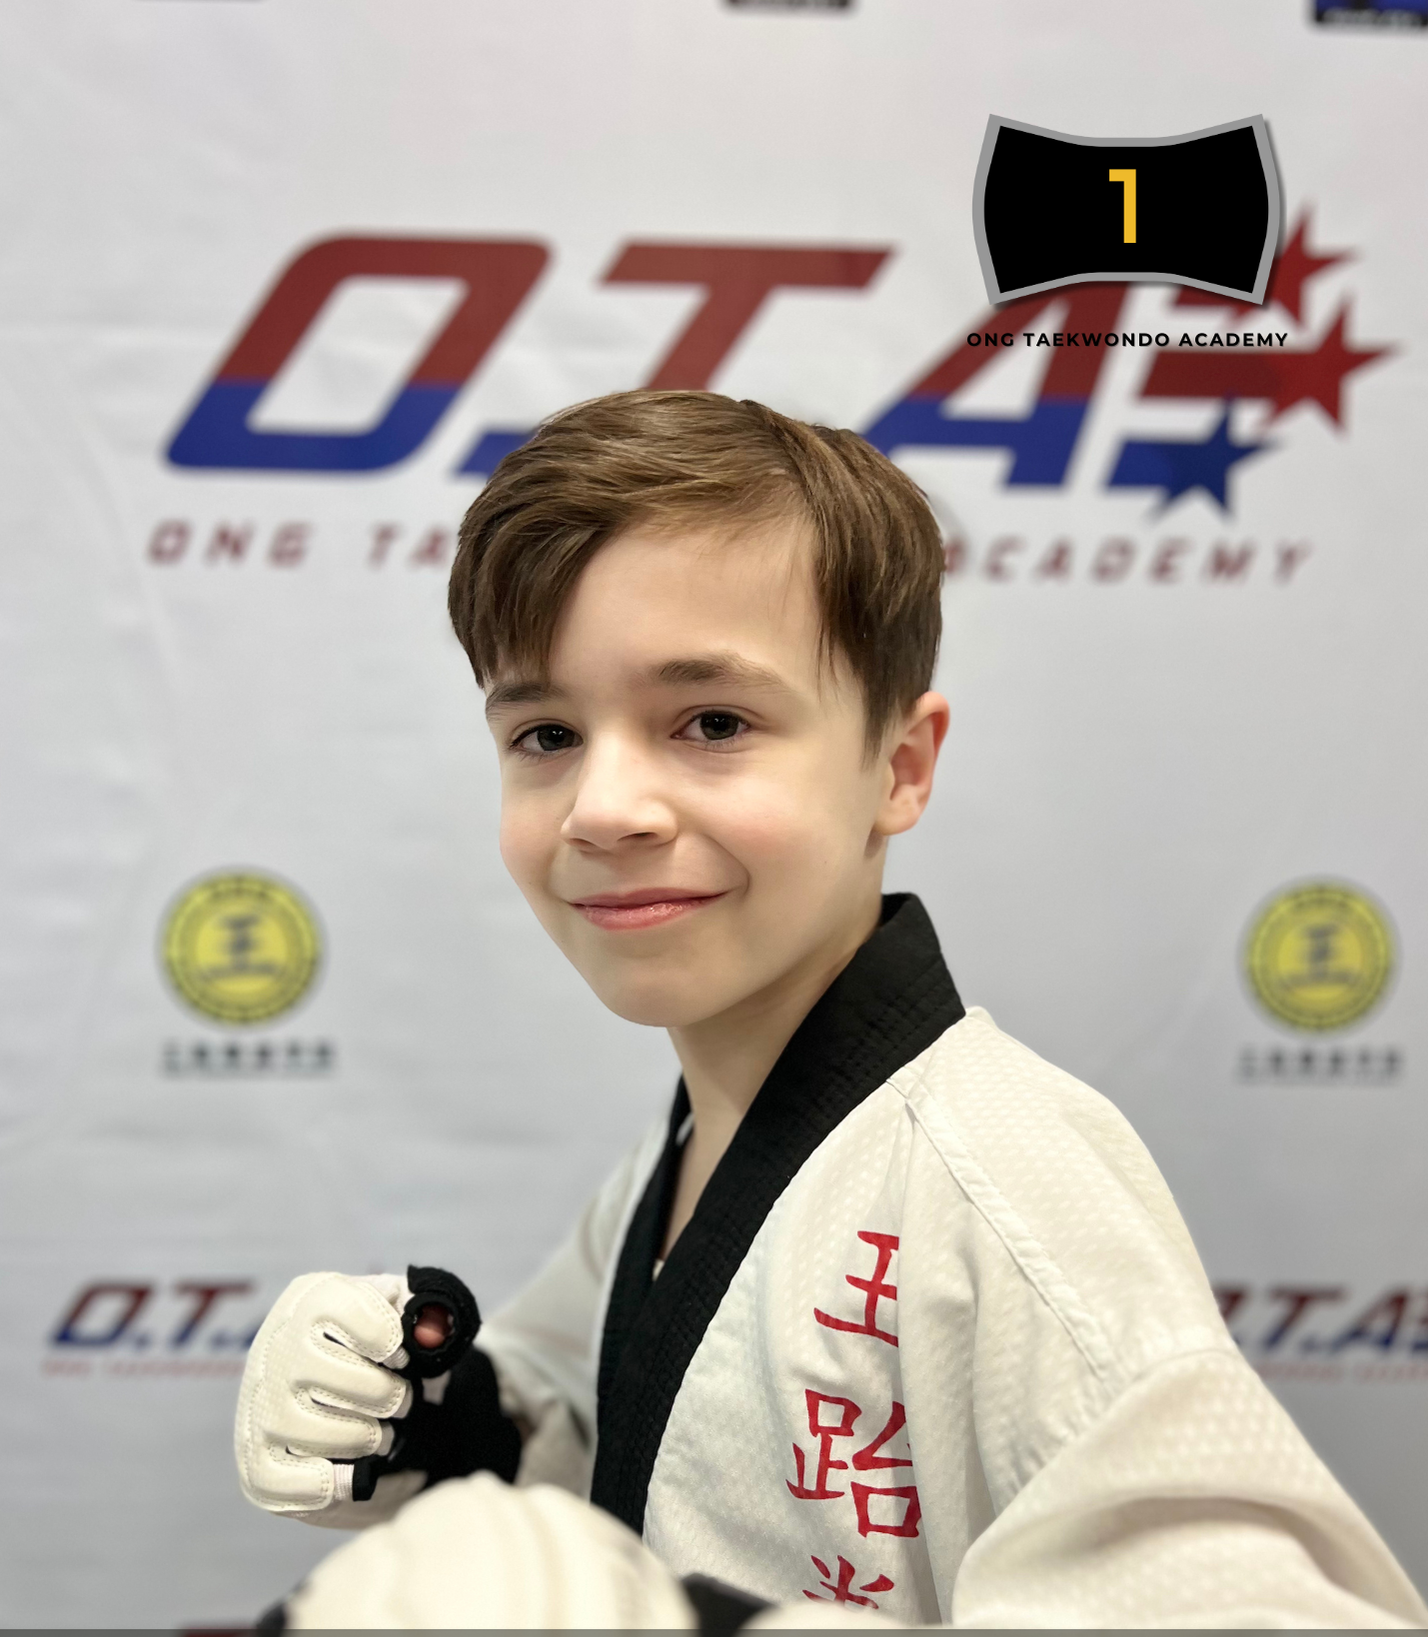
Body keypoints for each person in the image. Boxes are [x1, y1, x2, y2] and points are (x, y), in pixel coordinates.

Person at [235, 391, 1426, 1630]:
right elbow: (620, 1421)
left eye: (712, 722)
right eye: (545, 731)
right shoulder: (698, 1135)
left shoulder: (1003, 1191)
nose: (604, 807)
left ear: (899, 766)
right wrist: (430, 1413)